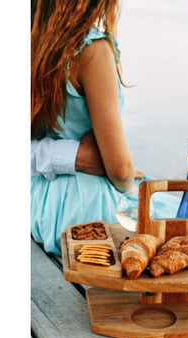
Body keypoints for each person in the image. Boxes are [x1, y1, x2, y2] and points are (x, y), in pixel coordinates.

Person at [31, 0, 178, 255]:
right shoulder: (92, 50)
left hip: (40, 205)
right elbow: (120, 170)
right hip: (86, 212)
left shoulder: (34, 46)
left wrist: (69, 155)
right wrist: (125, 176)